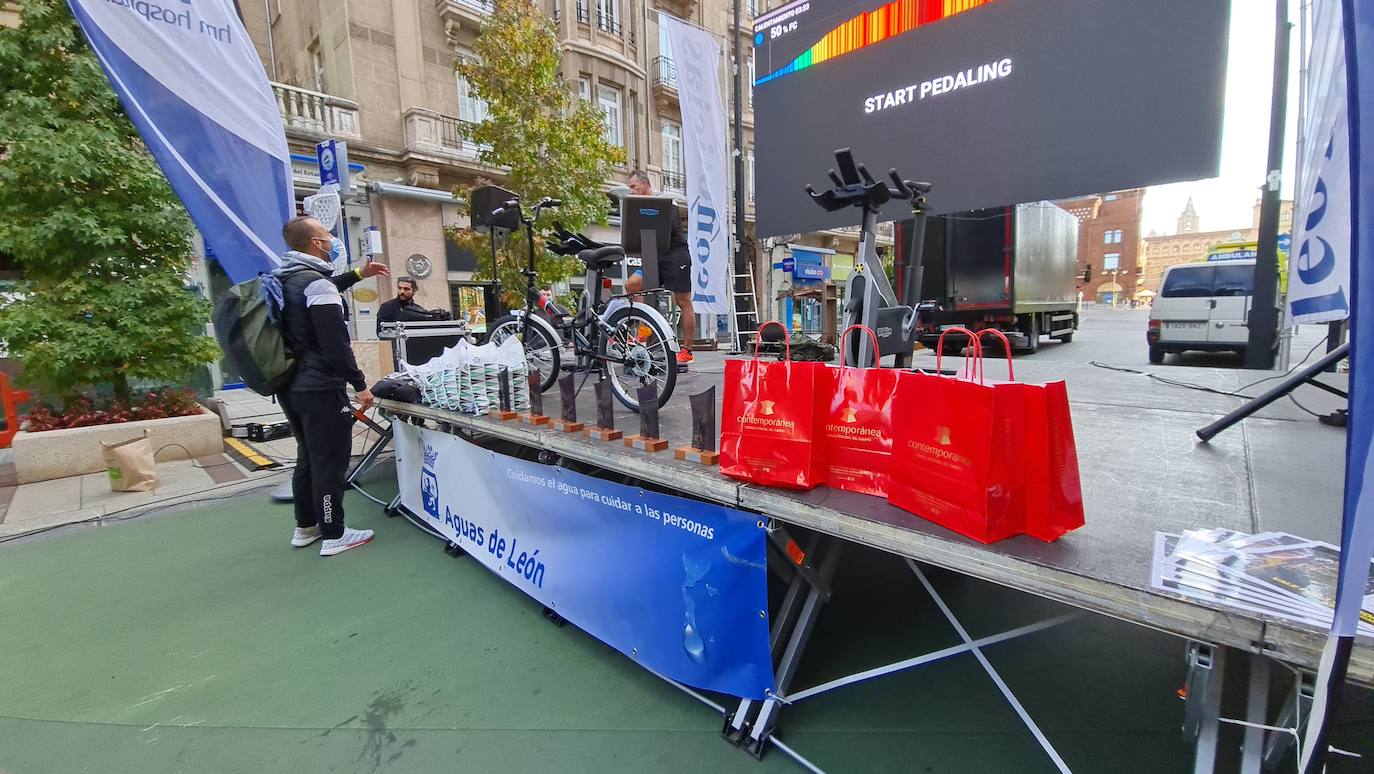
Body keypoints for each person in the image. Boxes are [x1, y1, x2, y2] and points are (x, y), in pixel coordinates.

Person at [276, 216, 377, 556]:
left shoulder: (288, 277)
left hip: (291, 385)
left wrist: (360, 274)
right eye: (326, 234)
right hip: (320, 387)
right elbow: (335, 344)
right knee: (330, 461)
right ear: (316, 243)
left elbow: (324, 287)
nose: (332, 239)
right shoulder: (318, 285)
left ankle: (306, 527)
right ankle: (335, 533)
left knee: (308, 457)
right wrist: (360, 384)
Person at [623, 170, 695, 367]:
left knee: (682, 299)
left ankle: (687, 351)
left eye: (633, 187)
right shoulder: (634, 206)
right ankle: (643, 330)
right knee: (632, 284)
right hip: (653, 255)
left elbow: (667, 226)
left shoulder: (664, 200)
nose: (631, 191)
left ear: (645, 184)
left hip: (675, 253)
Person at [377, 277, 451, 325]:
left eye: (406, 289)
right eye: (399, 288)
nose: (402, 291)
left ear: (414, 291)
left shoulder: (419, 309)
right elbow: (381, 332)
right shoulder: (387, 307)